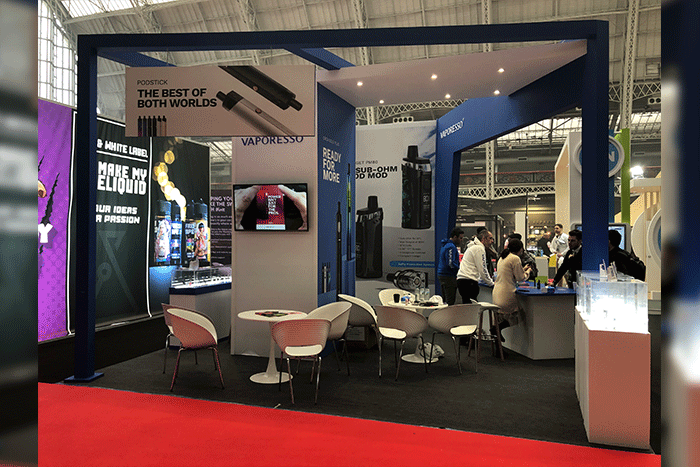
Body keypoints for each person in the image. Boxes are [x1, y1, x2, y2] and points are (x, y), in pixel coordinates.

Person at [492, 238, 531, 340]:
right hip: (507, 294)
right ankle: (497, 329)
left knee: (501, 319)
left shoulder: (502, 257)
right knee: (519, 317)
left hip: (497, 293)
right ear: (520, 249)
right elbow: (520, 278)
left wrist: (522, 269)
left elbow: (509, 273)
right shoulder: (515, 258)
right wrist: (528, 272)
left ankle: (497, 337)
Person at [456, 229, 494, 304]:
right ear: (483, 239)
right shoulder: (479, 249)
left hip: (462, 280)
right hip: (469, 282)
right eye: (490, 238)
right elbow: (483, 269)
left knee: (467, 306)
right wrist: (491, 283)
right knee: (472, 307)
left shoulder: (473, 247)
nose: (492, 241)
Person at [437, 228, 464, 305]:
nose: (461, 240)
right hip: (448, 275)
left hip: (442, 274)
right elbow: (450, 263)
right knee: (450, 300)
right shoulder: (451, 247)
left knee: (445, 299)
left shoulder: (445, 245)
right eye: (460, 238)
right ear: (455, 237)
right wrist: (458, 270)